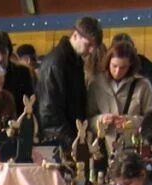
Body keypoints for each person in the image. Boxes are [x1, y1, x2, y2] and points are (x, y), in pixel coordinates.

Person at [36, 16, 103, 147]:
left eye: (94, 47)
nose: (92, 51)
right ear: (75, 35)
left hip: (69, 136)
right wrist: (72, 142)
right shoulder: (57, 63)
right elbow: (50, 112)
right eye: (88, 44)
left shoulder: (74, 61)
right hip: (59, 141)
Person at [86, 40, 152, 152]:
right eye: (114, 66)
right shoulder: (96, 84)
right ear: (108, 62)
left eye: (123, 67)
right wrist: (101, 120)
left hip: (133, 147)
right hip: (103, 148)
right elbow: (88, 120)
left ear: (131, 66)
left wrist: (131, 121)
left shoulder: (142, 85)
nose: (118, 71)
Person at [0, 31, 35, 108]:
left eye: (4, 52)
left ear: (9, 52)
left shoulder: (22, 73)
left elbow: (31, 105)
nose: (0, 58)